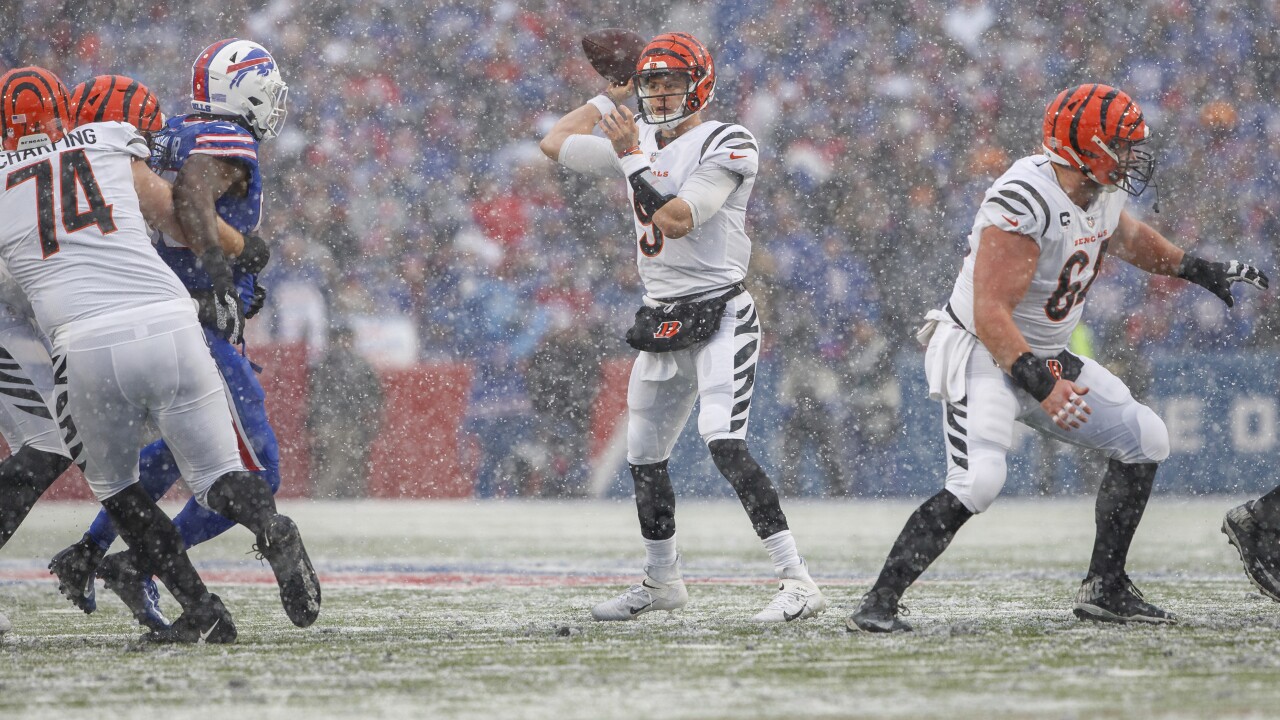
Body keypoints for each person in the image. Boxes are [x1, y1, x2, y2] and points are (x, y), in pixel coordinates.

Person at [847, 84, 1268, 633]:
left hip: (1044, 353)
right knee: (978, 482)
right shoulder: (1024, 197)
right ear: (1085, 146)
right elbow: (991, 312)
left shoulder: (1100, 188)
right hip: (982, 352)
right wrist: (1043, 384)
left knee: (1147, 439)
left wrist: (1194, 267)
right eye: (1121, 144)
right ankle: (878, 602)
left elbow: (1127, 236)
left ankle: (1105, 587)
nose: (1131, 157)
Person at [0, 65, 317, 643]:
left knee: (118, 489)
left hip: (85, 345)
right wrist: (239, 260)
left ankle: (196, 607)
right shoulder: (111, 143)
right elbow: (178, 212)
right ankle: (268, 526)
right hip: (171, 322)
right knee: (226, 472)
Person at [539, 32, 826, 622]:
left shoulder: (727, 140)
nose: (661, 93)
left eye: (671, 81)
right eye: (650, 82)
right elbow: (554, 141)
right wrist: (604, 99)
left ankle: (797, 579)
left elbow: (677, 219)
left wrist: (629, 156)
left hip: (722, 311)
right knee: (644, 454)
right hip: (664, 315)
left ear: (702, 85)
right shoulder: (637, 138)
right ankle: (662, 580)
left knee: (723, 440)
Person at [0, 75, 252, 559]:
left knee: (54, 444)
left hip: (46, 323)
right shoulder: (97, 147)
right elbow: (174, 211)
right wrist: (243, 251)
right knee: (48, 442)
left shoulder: (45, 162)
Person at [308, 323, 383, 498]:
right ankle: (327, 497)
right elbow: (315, 397)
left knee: (350, 465)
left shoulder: (357, 366)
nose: (342, 344)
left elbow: (375, 397)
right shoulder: (325, 366)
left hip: (349, 422)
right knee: (335, 464)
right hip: (333, 422)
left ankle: (339, 498)